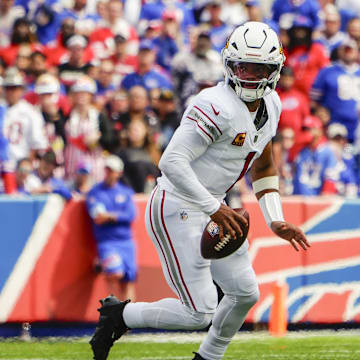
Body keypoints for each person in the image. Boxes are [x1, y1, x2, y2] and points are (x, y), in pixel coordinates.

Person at [89, 21, 309, 360]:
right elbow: (172, 162)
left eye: (258, 68)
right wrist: (213, 207)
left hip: (213, 205)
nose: (249, 76)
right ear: (228, 65)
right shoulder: (213, 104)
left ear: (274, 69)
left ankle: (208, 357)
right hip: (176, 203)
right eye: (242, 67)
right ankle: (119, 315)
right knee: (199, 311)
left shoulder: (273, 106)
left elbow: (264, 167)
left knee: (245, 293)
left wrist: (276, 220)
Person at [86, 155, 137, 300]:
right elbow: (98, 217)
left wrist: (110, 216)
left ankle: (129, 317)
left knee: (128, 280)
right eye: (107, 170)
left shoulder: (125, 192)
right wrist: (116, 216)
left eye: (112, 170)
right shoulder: (95, 192)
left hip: (126, 242)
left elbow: (131, 215)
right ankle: (112, 308)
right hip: (107, 242)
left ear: (119, 173)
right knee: (116, 273)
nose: (108, 173)